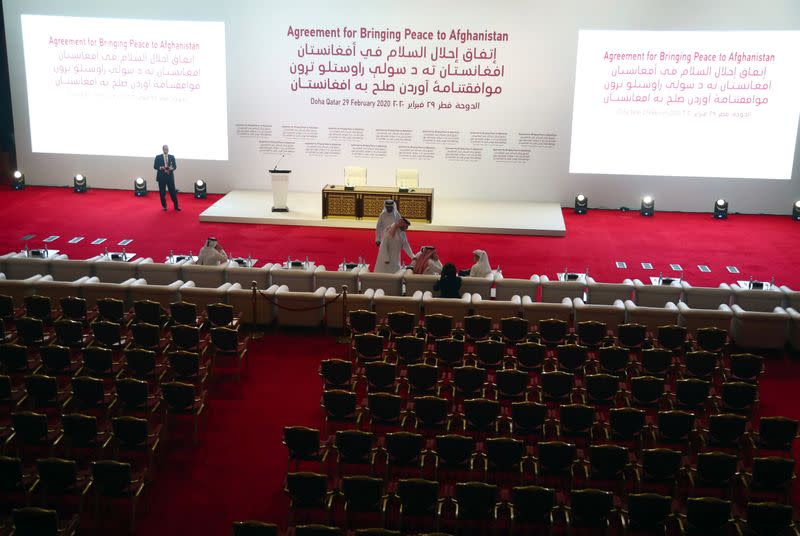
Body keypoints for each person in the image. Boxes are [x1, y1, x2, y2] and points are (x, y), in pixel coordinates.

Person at [154, 144, 180, 211]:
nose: (166, 150)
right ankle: (164, 206)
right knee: (162, 193)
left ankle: (176, 206)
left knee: (173, 192)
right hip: (161, 177)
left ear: (168, 149)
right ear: (163, 149)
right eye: (165, 149)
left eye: (167, 149)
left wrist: (172, 168)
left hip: (169, 177)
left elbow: (175, 166)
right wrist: (161, 168)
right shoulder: (158, 157)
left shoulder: (172, 157)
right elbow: (155, 166)